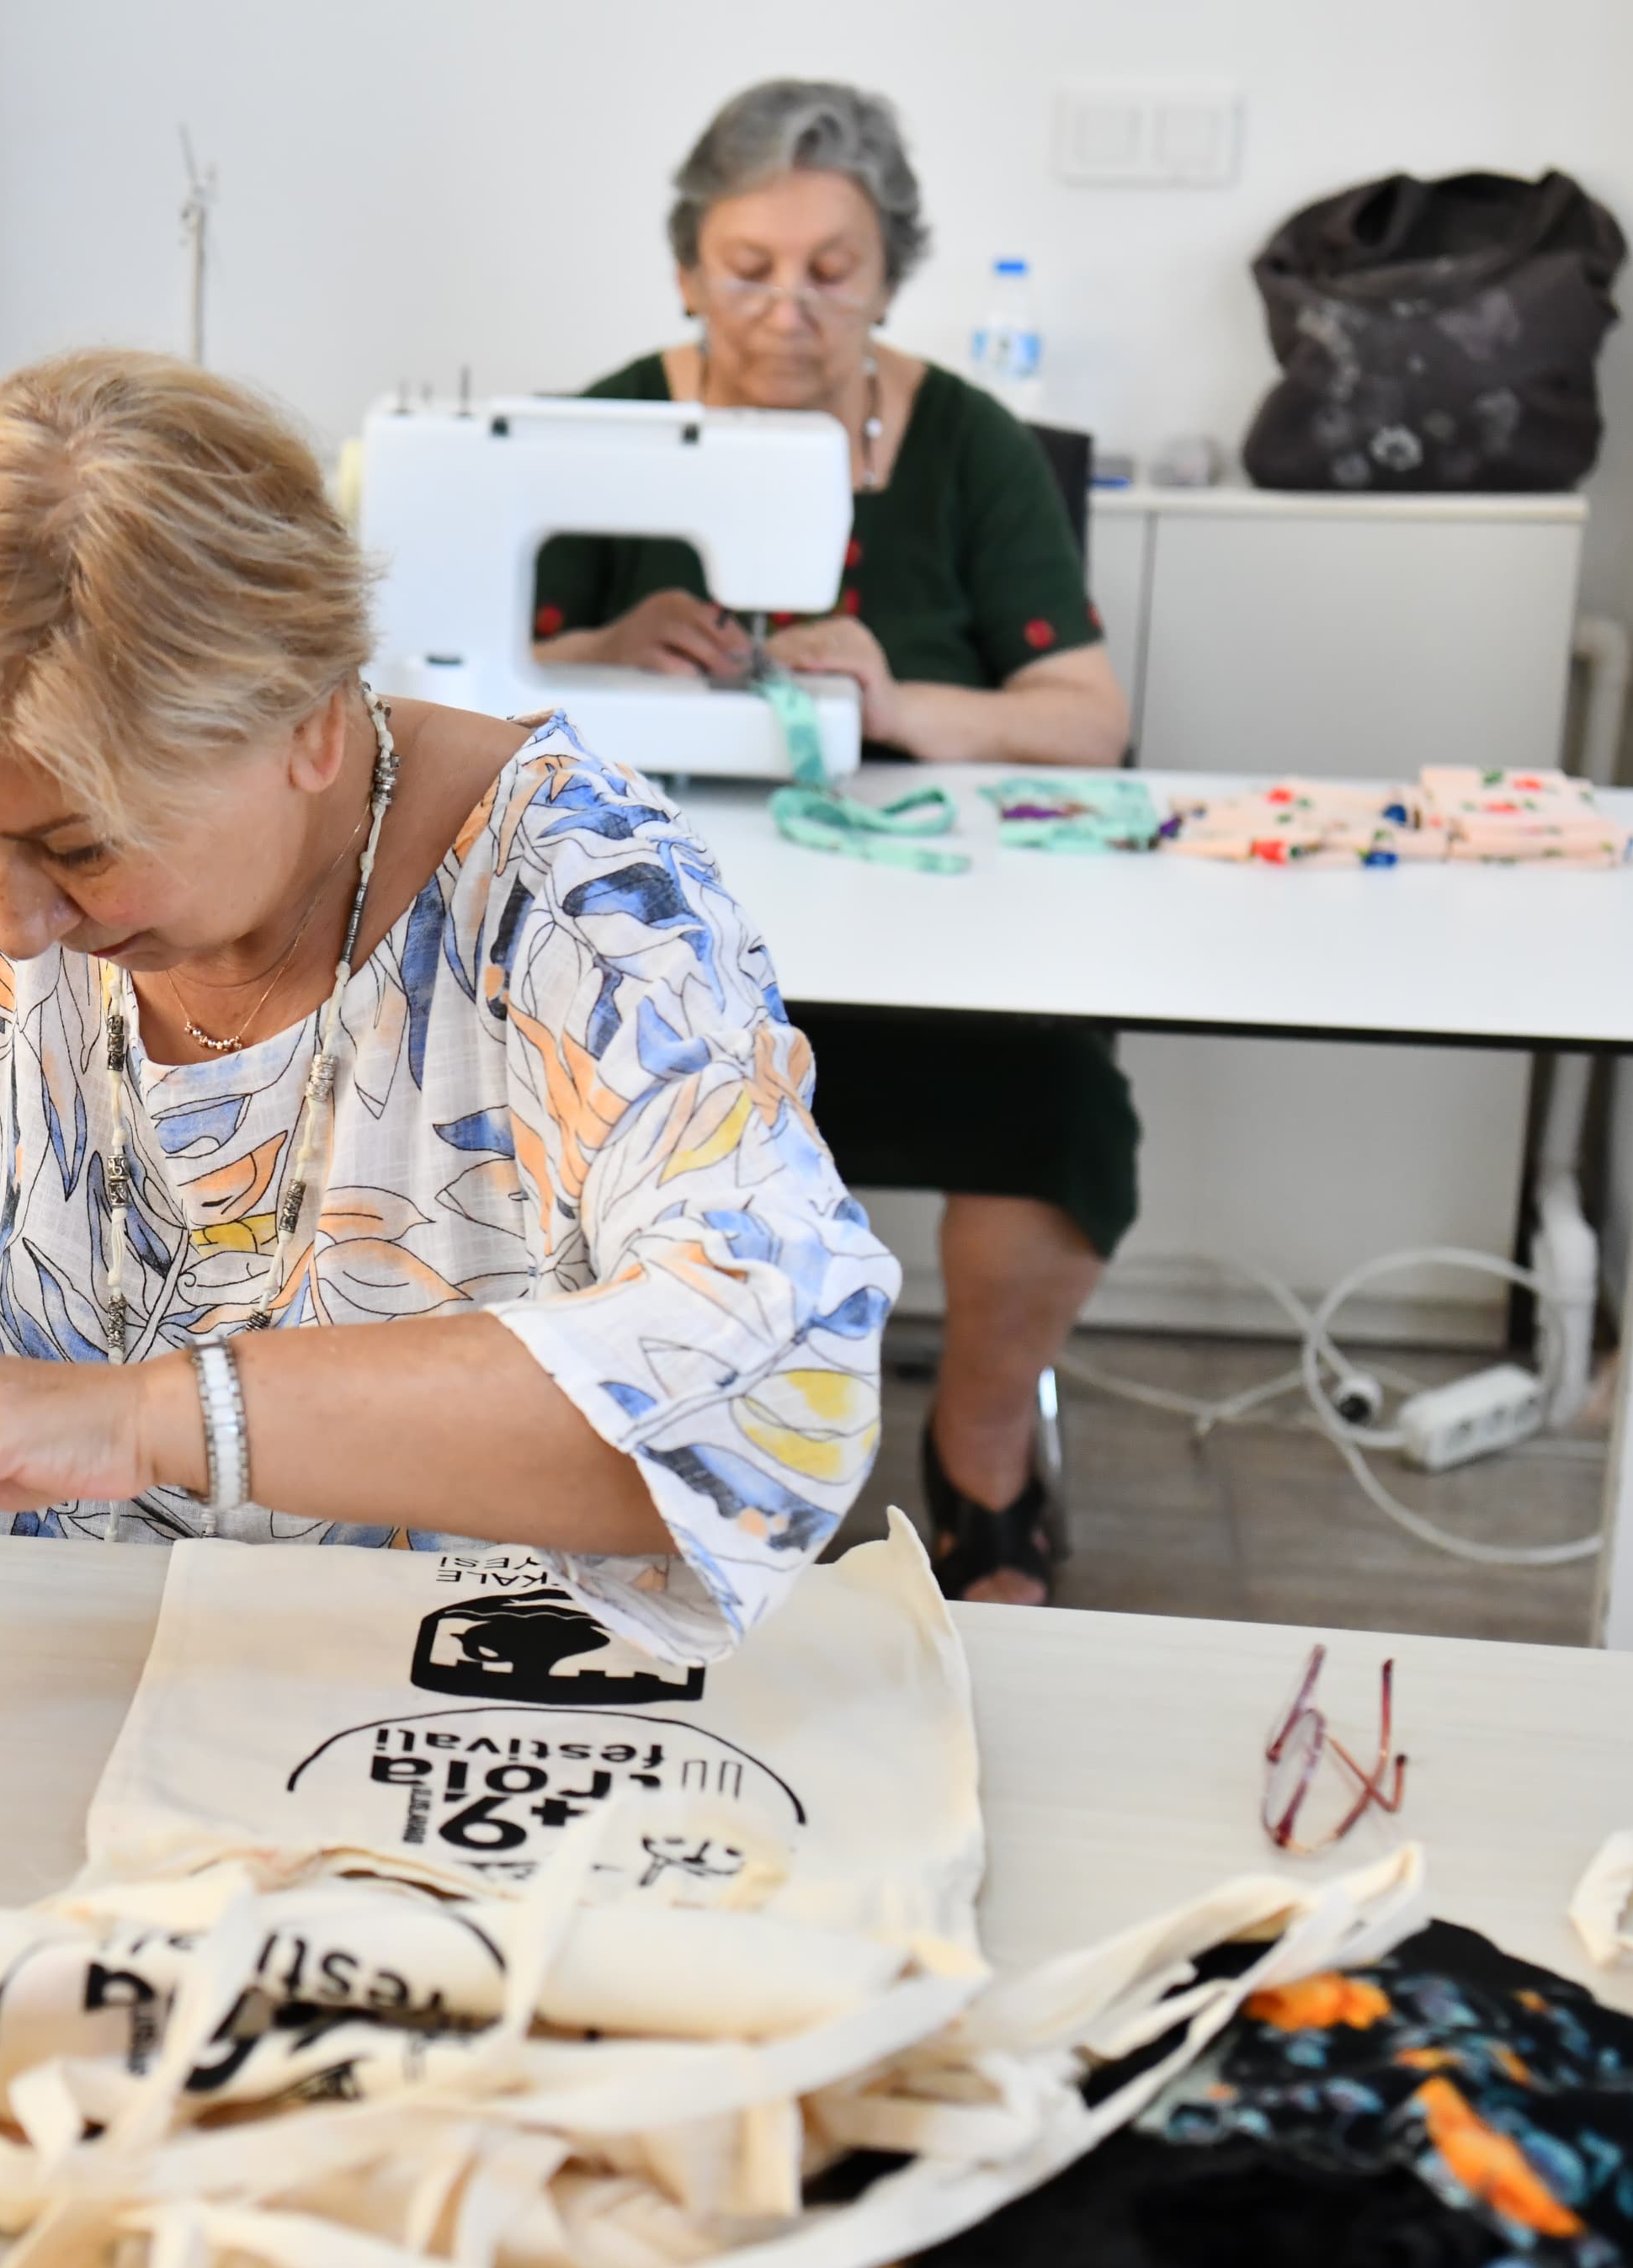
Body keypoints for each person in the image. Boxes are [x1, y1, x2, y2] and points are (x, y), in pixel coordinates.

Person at [0, 351, 896, 1663]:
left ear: (309, 722)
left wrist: (140, 1418)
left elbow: (777, 1382)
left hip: (424, 1715)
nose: (11, 918)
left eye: (84, 850)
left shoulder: (585, 917)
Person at [534, 79, 1136, 1606]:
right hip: (662, 954)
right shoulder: (600, 431)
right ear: (689, 270)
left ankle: (982, 1448)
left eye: (831, 270)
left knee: (1057, 1107)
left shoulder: (969, 447)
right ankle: (664, 1461)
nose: (789, 309)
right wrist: (604, 646)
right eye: (749, 269)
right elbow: (472, 684)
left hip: (945, 959)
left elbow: (1087, 719)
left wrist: (904, 702)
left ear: (889, 274)